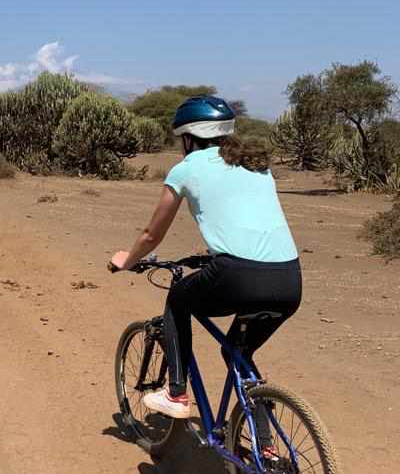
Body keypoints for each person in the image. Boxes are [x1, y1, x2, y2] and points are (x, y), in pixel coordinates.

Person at [109, 95, 301, 426]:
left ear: (189, 137)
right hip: (289, 279)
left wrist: (127, 260)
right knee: (237, 353)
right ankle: (266, 447)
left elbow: (152, 236)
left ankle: (176, 394)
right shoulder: (257, 165)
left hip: (236, 275)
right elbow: (245, 218)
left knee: (178, 300)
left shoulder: (186, 168)